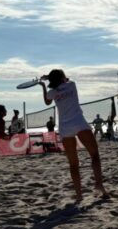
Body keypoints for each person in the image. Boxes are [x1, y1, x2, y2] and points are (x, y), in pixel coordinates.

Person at [39, 69, 108, 202]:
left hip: (65, 127)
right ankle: (99, 184)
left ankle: (79, 195)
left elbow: (47, 102)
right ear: (63, 77)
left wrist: (43, 85)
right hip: (78, 121)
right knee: (94, 155)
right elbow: (66, 79)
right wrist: (49, 78)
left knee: (73, 164)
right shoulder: (72, 85)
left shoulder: (52, 92)